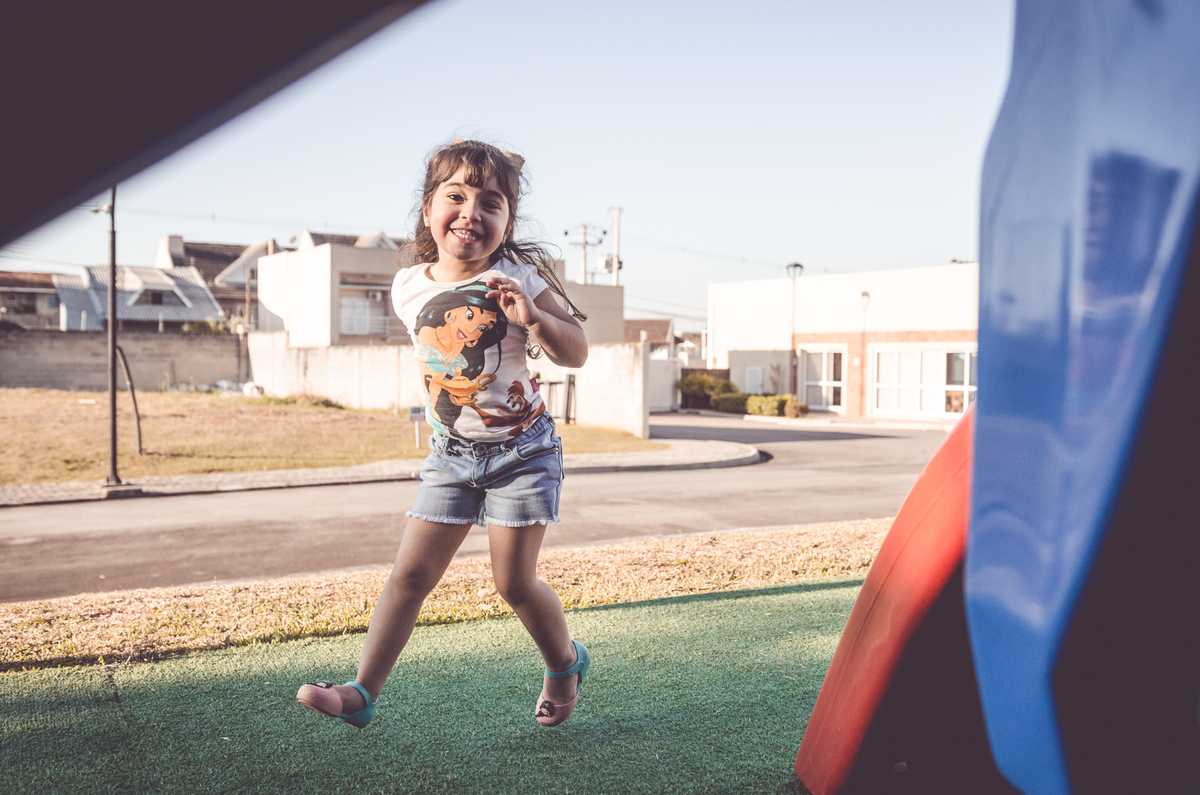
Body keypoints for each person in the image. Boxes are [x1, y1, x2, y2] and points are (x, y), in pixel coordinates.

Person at [296, 140, 591, 729]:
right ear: (429, 209)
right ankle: (362, 693)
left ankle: (564, 664)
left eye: (492, 202)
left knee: (513, 583)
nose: (471, 213)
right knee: (410, 575)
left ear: (506, 222)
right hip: (451, 454)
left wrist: (533, 320)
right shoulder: (407, 286)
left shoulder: (519, 276)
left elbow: (577, 351)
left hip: (522, 452)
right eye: (455, 196)